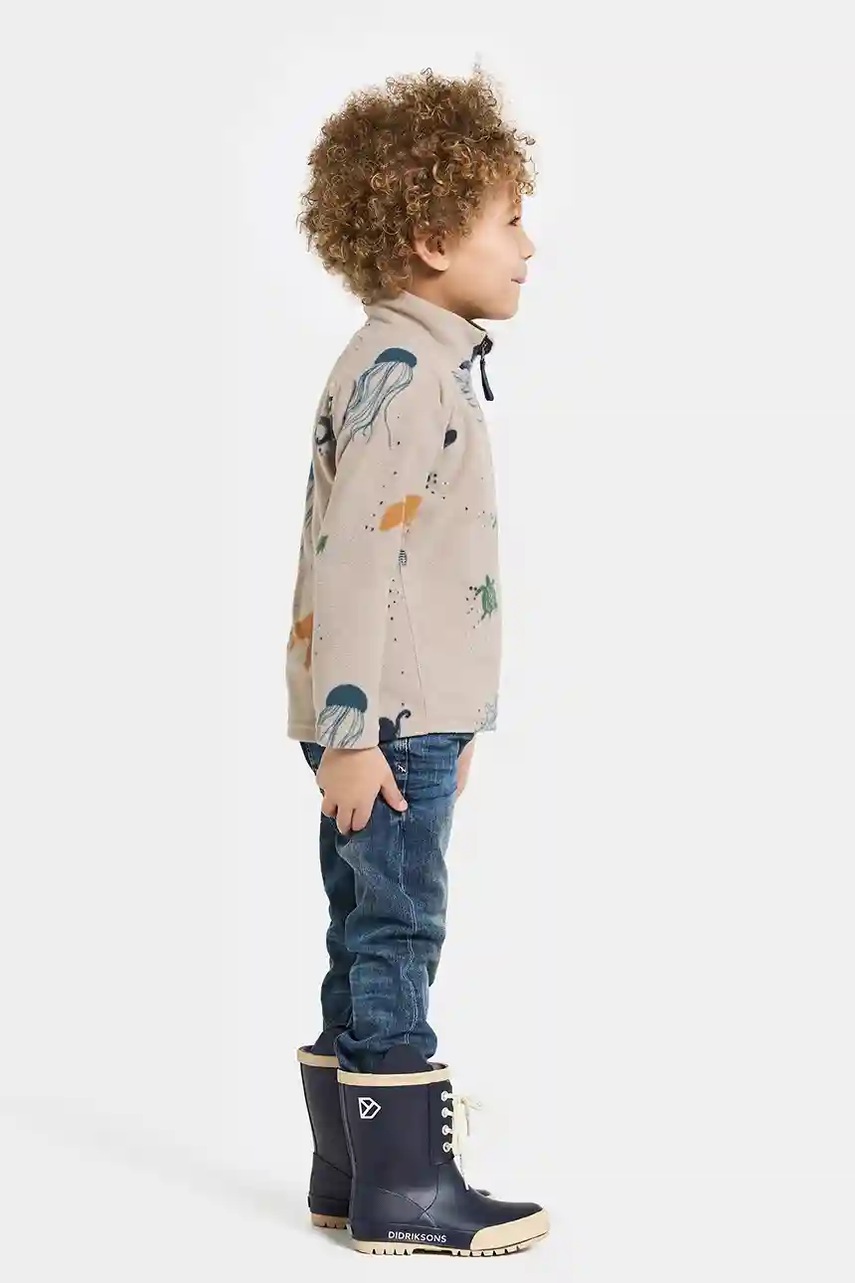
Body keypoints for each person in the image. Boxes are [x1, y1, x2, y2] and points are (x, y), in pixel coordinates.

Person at [286, 65, 549, 1256]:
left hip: (399, 712)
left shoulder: (413, 357)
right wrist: (358, 732)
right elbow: (358, 563)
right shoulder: (404, 376)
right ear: (435, 239)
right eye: (510, 221)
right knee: (397, 930)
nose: (529, 246)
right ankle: (406, 1191)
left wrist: (449, 719)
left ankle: (347, 1170)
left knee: (365, 921)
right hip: (380, 717)